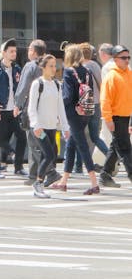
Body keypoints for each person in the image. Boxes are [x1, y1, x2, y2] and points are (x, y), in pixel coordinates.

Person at [51, 44, 100, 195]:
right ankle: (63, 181)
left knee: (83, 147)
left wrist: (58, 107)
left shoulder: (68, 72)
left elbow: (68, 96)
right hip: (85, 111)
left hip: (72, 114)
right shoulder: (87, 71)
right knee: (71, 145)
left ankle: (94, 183)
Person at [14, 39, 61, 188]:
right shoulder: (46, 68)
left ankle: (47, 172)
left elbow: (23, 87)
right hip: (47, 115)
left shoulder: (30, 66)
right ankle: (35, 174)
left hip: (32, 113)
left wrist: (17, 104)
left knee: (34, 144)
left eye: (29, 49)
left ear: (33, 51)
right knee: (40, 144)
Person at [27, 55, 70, 198]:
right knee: (48, 154)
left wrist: (65, 127)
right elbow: (31, 108)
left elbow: (60, 108)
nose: (54, 69)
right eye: (50, 66)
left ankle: (40, 182)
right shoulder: (37, 84)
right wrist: (36, 125)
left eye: (55, 66)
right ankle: (38, 183)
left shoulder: (57, 85)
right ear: (43, 67)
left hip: (52, 128)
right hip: (40, 128)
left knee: (52, 155)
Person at [0, 39, 27, 179]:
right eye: (11, 51)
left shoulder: (17, 69)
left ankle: (19, 167)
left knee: (22, 136)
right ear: (4, 53)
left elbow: (20, 89)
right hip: (1, 110)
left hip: (14, 110)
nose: (14, 54)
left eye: (15, 51)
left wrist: (20, 105)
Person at [99, 45, 132, 188]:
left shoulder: (128, 74)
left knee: (115, 147)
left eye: (128, 57)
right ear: (115, 59)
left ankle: (105, 175)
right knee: (125, 149)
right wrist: (108, 119)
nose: (127, 60)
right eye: (123, 58)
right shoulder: (111, 76)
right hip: (116, 117)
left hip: (125, 116)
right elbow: (105, 99)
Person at [80, 42, 108, 165]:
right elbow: (101, 84)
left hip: (85, 104)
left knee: (79, 135)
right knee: (95, 136)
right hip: (96, 103)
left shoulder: (80, 67)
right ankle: (110, 157)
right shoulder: (96, 66)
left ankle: (79, 165)